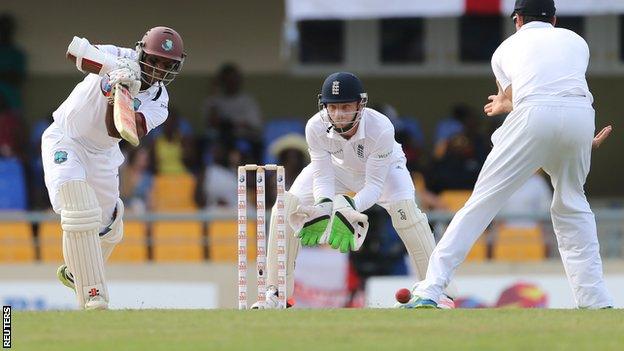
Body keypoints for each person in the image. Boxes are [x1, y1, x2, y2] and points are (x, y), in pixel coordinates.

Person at [405, 0, 614, 309]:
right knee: (573, 205)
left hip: (533, 115)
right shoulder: (577, 41)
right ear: (554, 19)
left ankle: (430, 289)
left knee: (480, 204)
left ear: (517, 19)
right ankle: (596, 301)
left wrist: (504, 104)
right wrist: (580, 142)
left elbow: (523, 96)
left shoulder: (504, 50)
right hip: (581, 117)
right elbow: (554, 86)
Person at [252, 72, 457, 309]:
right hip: (337, 170)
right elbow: (323, 175)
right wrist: (323, 207)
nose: (339, 115)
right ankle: (276, 295)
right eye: (333, 107)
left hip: (386, 170)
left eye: (346, 107)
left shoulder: (380, 128)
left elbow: (373, 187)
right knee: (285, 208)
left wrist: (350, 206)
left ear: (360, 104)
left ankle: (437, 293)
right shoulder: (315, 126)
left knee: (408, 215)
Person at [41, 26, 186, 309]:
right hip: (66, 139)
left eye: (167, 65)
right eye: (154, 60)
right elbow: (73, 51)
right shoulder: (118, 55)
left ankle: (75, 271)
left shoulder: (160, 102)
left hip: (104, 153)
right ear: (141, 51)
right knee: (78, 207)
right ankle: (93, 292)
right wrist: (114, 71)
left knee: (109, 225)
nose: (158, 70)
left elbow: (120, 130)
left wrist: (116, 93)